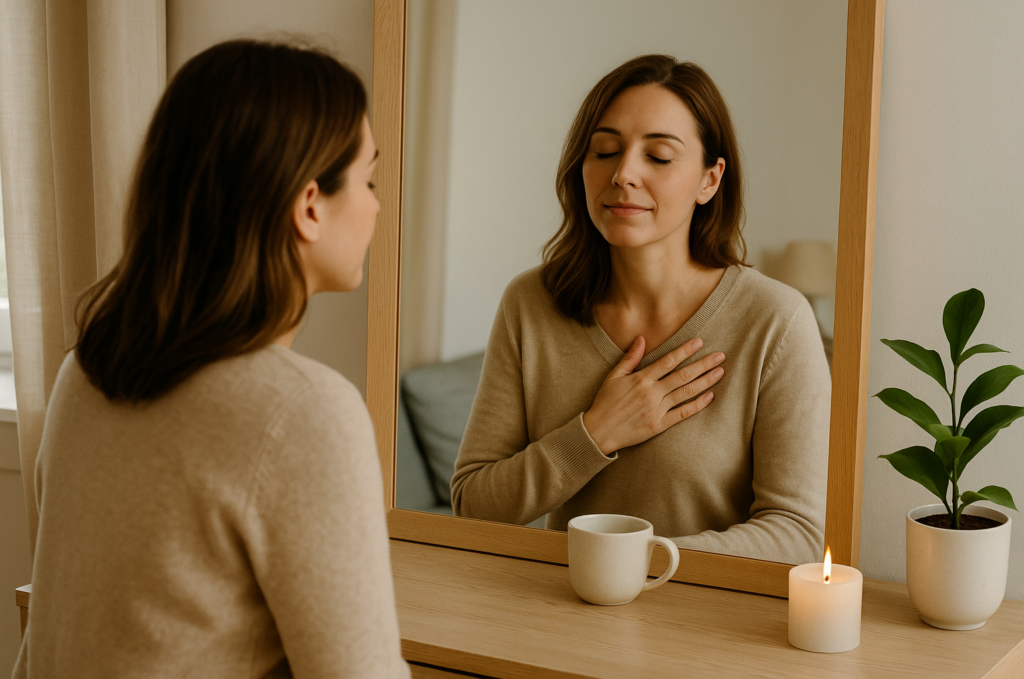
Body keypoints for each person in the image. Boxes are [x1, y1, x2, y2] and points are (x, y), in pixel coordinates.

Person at [14, 40, 410, 678]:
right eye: (368, 179)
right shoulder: (305, 411)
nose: (376, 205)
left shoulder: (85, 371)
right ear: (309, 206)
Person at [450, 55, 831, 565]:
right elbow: (474, 503)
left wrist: (637, 560)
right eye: (605, 150)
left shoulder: (775, 321)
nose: (624, 173)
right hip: (554, 625)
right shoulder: (530, 304)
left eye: (658, 156)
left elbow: (798, 535)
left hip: (705, 633)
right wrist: (595, 433)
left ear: (710, 180)